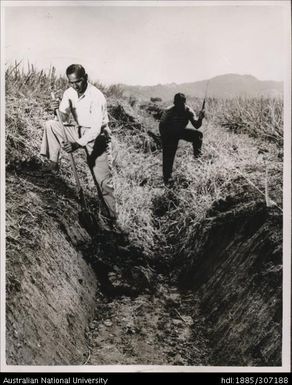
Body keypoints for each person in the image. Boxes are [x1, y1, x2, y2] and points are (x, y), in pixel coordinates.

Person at [40, 64, 117, 221]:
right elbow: (62, 118)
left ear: (86, 78)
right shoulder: (69, 92)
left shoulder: (97, 96)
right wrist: (56, 109)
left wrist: (76, 144)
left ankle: (111, 217)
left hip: (97, 138)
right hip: (78, 130)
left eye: (78, 81)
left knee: (102, 181)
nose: (75, 86)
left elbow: (95, 129)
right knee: (50, 125)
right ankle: (53, 164)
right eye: (71, 82)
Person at [159, 93, 205, 185]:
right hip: (169, 134)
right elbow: (161, 126)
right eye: (177, 104)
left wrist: (200, 118)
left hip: (180, 131)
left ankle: (198, 159)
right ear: (174, 103)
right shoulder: (169, 111)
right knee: (168, 156)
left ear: (185, 103)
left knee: (198, 135)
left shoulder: (188, 110)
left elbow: (196, 126)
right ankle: (167, 179)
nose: (179, 106)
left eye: (181, 104)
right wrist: (164, 139)